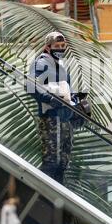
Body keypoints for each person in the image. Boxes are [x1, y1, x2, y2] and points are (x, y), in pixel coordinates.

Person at [29, 32, 86, 184]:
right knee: (51, 163)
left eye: (62, 46)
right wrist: (52, 100)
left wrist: (77, 101)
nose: (60, 49)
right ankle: (42, 199)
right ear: (48, 47)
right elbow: (30, 86)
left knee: (63, 164)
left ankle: (59, 199)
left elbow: (66, 91)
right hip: (51, 119)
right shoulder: (40, 63)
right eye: (56, 46)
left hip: (65, 118)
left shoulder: (60, 64)